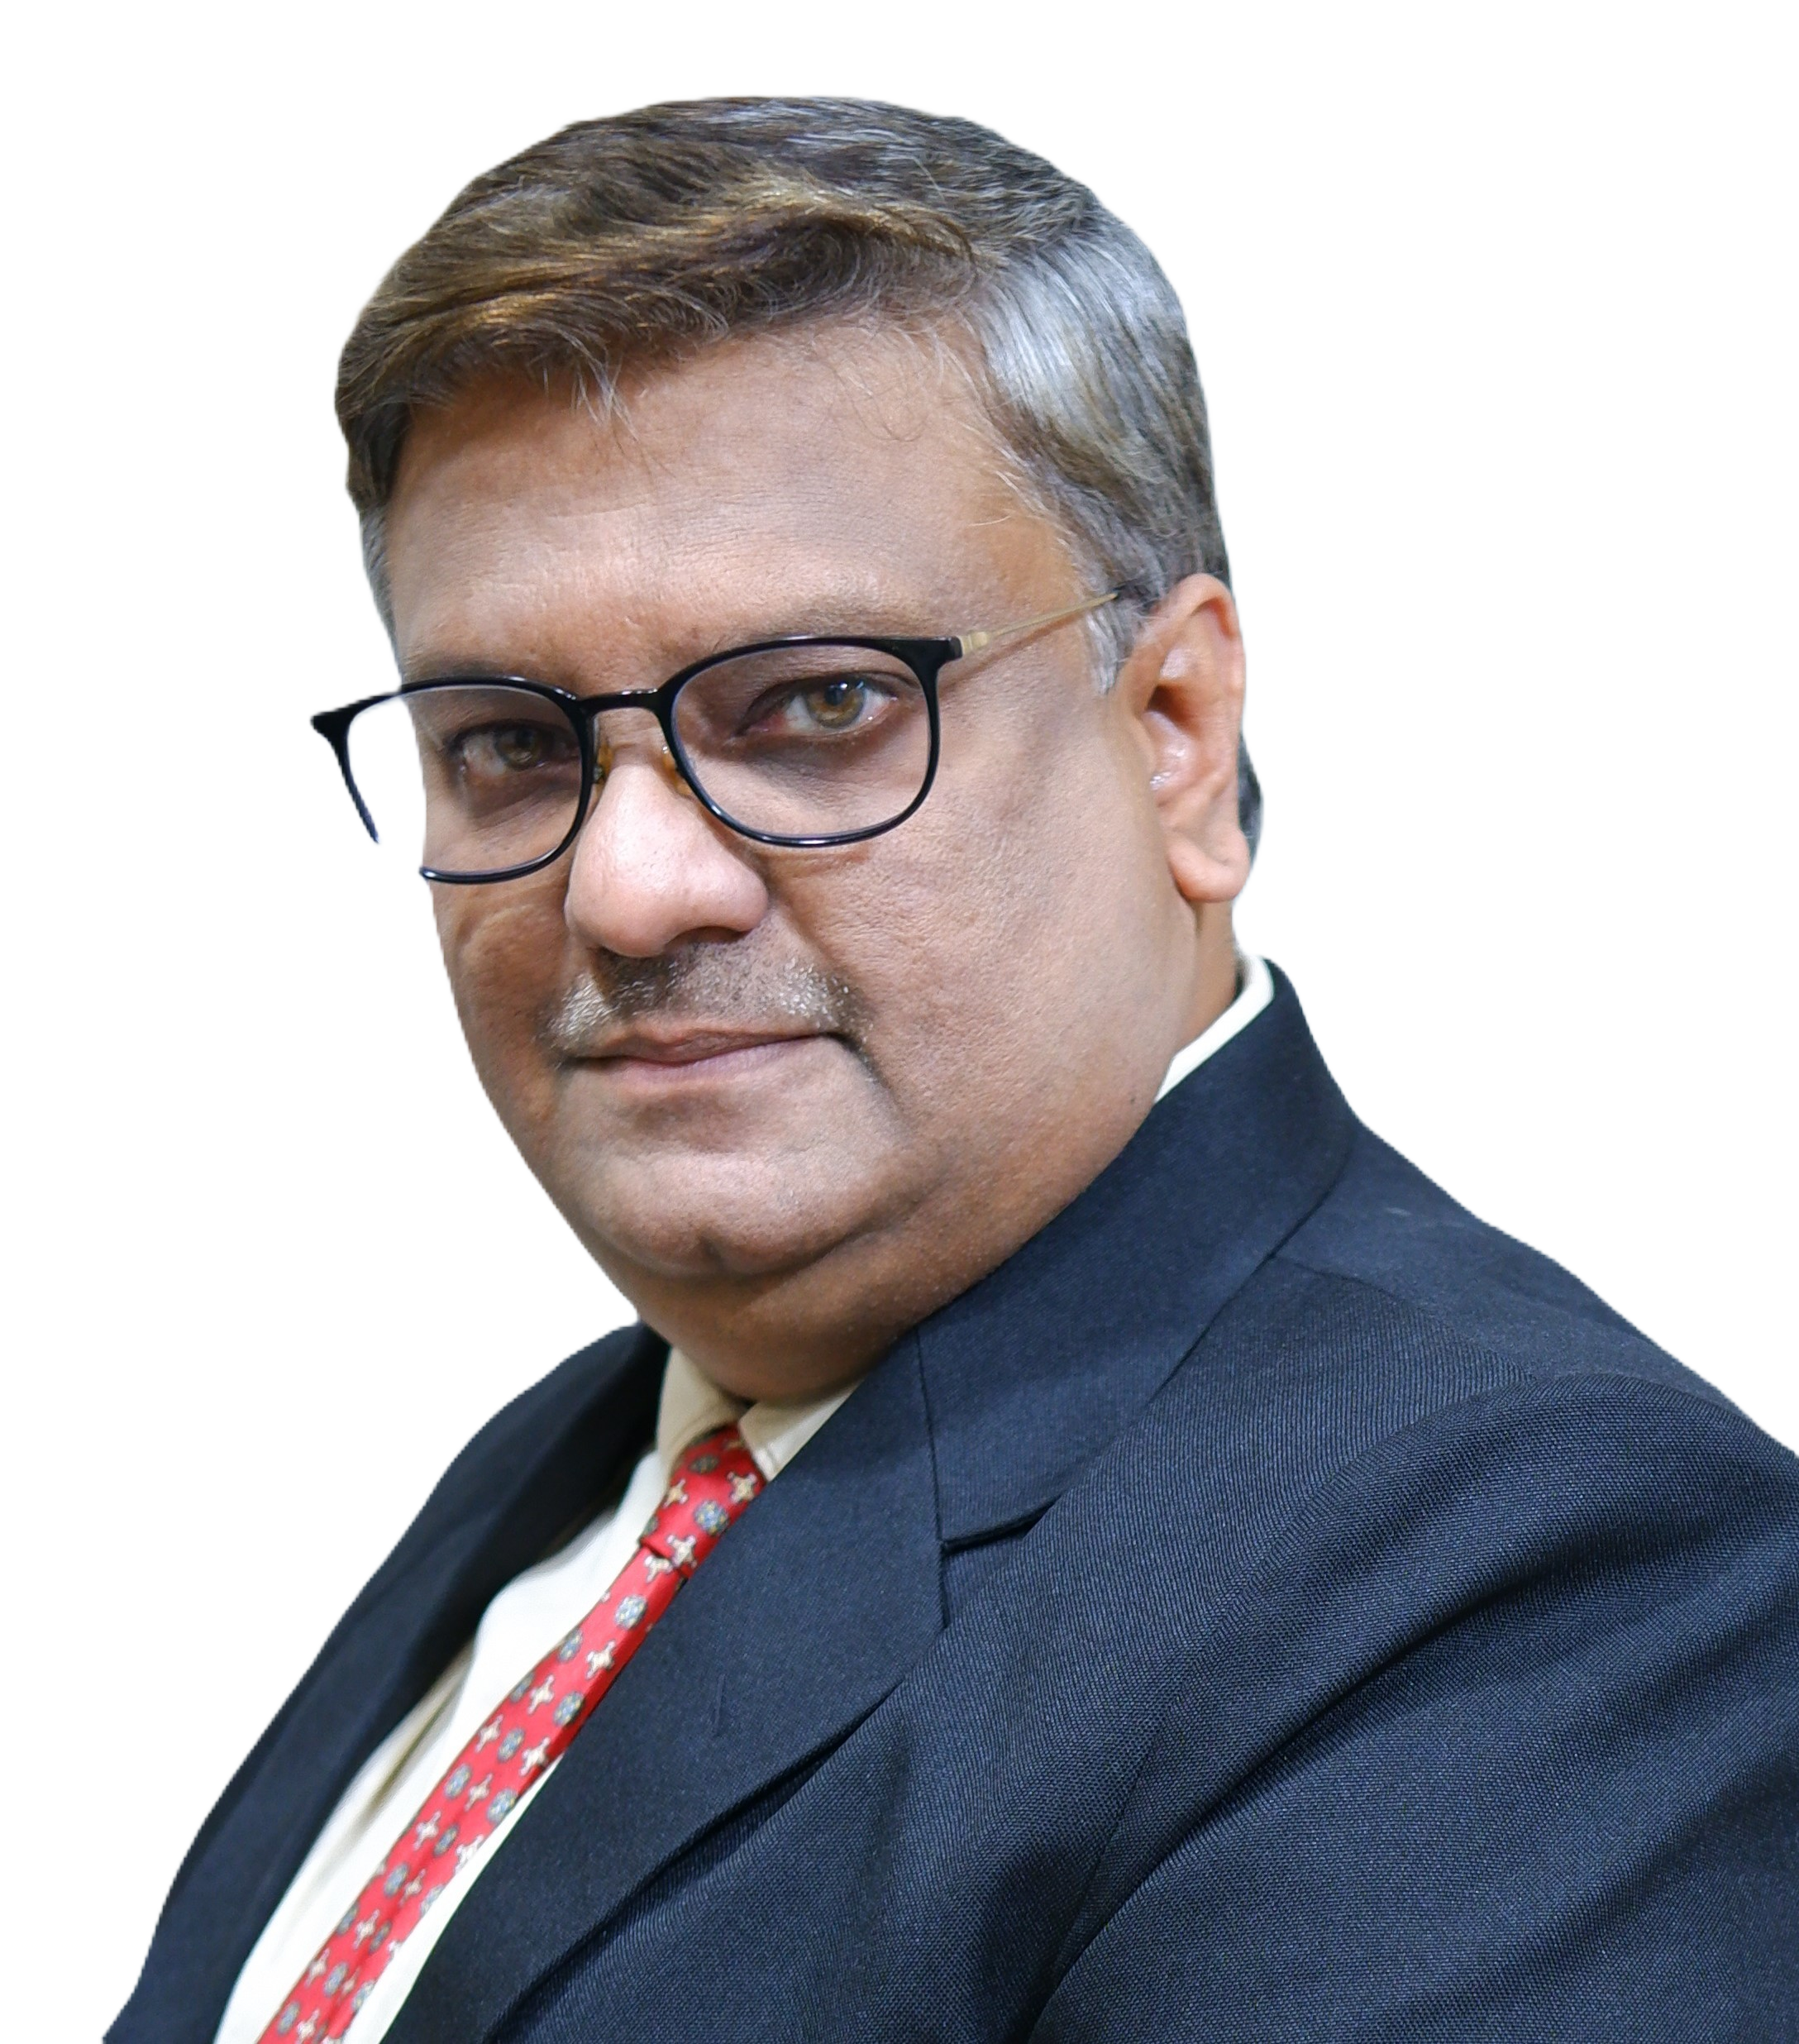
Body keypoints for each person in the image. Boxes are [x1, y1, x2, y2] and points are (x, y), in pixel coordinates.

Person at [114, 98, 1799, 2044]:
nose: (628, 889)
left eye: (816, 707)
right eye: (506, 743)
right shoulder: (578, 1467)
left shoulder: (1535, 1575)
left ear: (1173, 729)